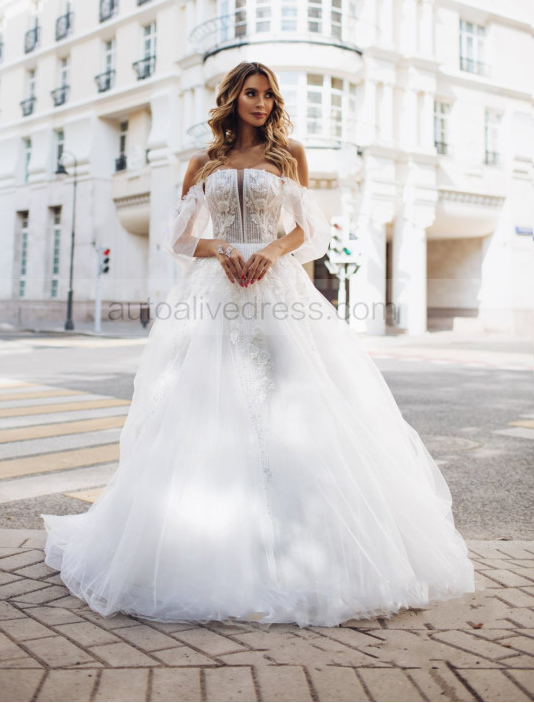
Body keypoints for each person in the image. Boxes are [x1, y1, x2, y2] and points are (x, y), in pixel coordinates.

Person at [41, 61, 475, 628]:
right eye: (252, 93)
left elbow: (310, 230)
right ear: (232, 98)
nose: (262, 103)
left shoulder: (288, 155)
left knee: (291, 405)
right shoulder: (204, 162)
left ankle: (306, 543)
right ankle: (211, 542)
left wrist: (270, 252)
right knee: (208, 411)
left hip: (277, 294)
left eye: (269, 95)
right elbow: (178, 237)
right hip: (215, 297)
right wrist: (221, 248)